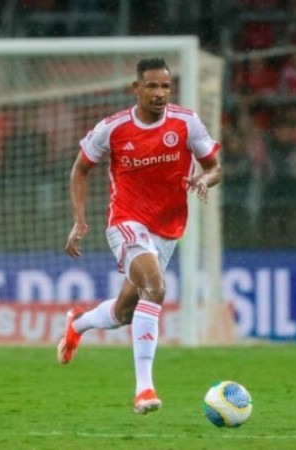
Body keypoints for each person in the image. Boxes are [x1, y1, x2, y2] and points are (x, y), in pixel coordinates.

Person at [57, 58, 222, 414]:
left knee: (124, 312)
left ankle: (78, 324)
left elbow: (214, 167)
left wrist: (204, 180)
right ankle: (144, 390)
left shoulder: (186, 122)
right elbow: (80, 169)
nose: (160, 93)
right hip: (126, 221)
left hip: (168, 228)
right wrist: (79, 220)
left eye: (165, 86)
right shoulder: (112, 129)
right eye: (152, 86)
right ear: (136, 88)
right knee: (156, 288)